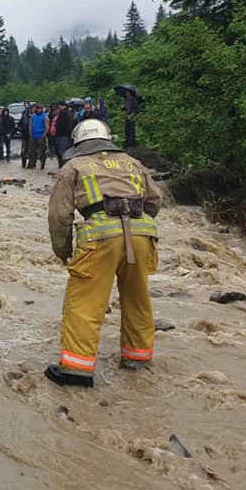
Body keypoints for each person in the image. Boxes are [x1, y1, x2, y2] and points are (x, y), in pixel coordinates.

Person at [45, 119, 162, 388]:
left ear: (78, 143)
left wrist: (63, 250)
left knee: (85, 302)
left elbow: (59, 215)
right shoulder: (133, 163)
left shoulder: (73, 167)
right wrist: (138, 227)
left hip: (99, 238)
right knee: (137, 297)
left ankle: (76, 369)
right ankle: (138, 358)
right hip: (142, 234)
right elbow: (154, 201)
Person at [26, 104, 49, 169]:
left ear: (42, 109)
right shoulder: (33, 116)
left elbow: (47, 128)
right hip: (33, 136)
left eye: (39, 108)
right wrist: (30, 134)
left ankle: (42, 166)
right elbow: (30, 125)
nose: (38, 110)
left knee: (42, 152)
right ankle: (32, 165)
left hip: (41, 136)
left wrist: (43, 136)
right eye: (37, 108)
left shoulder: (45, 117)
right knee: (31, 152)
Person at [52, 100, 74, 168]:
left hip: (63, 136)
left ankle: (64, 168)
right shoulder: (69, 113)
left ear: (61, 106)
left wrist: (57, 134)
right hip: (67, 135)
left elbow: (61, 125)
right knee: (65, 152)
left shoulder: (63, 113)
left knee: (62, 152)